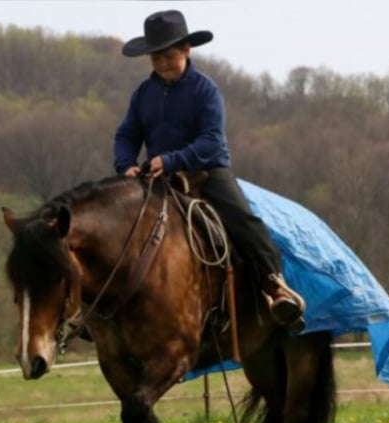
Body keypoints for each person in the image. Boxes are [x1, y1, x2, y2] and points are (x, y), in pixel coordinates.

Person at [113, 9, 306, 333]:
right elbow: (126, 135)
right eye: (156, 58)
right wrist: (126, 165)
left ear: (187, 50)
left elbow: (211, 140)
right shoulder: (142, 95)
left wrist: (172, 160)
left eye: (169, 56)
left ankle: (275, 286)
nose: (162, 64)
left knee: (243, 220)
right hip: (157, 177)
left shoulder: (206, 90)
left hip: (207, 171)